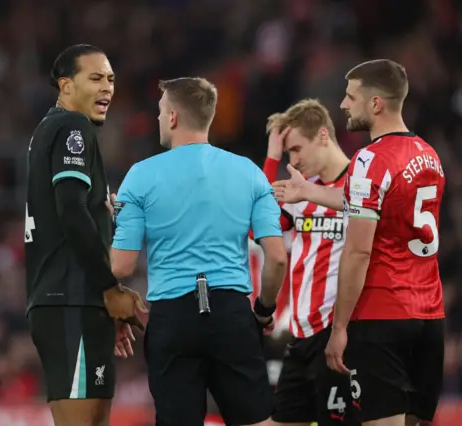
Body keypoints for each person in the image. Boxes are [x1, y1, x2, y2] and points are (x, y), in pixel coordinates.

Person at [273, 59, 445, 426]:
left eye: (351, 97)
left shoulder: (369, 159)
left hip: (383, 315)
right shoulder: (429, 154)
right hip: (429, 315)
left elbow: (359, 250)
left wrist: (339, 329)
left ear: (375, 104)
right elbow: (373, 202)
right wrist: (307, 192)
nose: (343, 105)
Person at [110, 77, 288, 426]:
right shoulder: (250, 173)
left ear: (173, 117)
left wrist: (113, 223)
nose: (159, 119)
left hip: (172, 317)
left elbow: (121, 266)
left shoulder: (140, 176)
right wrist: (264, 310)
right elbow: (277, 257)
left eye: (161, 112)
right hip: (232, 312)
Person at [24, 44, 146, 426]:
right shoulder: (71, 127)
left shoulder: (52, 130)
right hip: (68, 299)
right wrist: (109, 288)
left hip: (77, 300)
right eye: (95, 78)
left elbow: (79, 210)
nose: (107, 87)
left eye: (110, 79)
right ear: (66, 86)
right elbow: (72, 212)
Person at [262, 100, 359, 426]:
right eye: (288, 153)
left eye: (296, 149)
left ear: (322, 135)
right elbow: (255, 227)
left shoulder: (361, 185)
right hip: (301, 336)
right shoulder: (299, 193)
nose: (294, 161)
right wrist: (272, 155)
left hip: (340, 335)